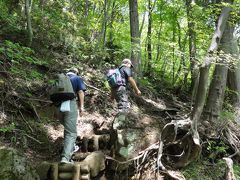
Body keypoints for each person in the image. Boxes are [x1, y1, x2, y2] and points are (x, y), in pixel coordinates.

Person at [60, 67, 86, 164]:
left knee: (68, 131)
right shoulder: (77, 78)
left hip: (58, 106)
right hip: (69, 105)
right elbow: (80, 92)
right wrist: (81, 107)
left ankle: (69, 152)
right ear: (76, 72)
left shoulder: (61, 79)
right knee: (71, 133)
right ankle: (65, 158)